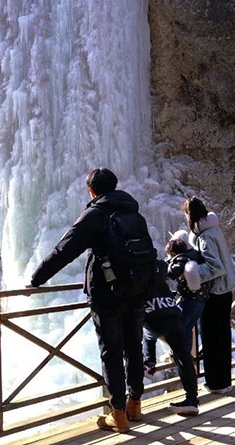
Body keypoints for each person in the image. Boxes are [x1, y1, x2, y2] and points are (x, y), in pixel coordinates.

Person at [29, 168, 146, 433]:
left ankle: (118, 414)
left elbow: (64, 249)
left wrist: (37, 278)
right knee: (134, 347)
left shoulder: (96, 214)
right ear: (115, 186)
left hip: (107, 293)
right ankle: (135, 404)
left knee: (112, 351)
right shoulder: (133, 213)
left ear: (92, 190)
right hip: (137, 290)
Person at [182, 196, 235, 394]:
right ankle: (225, 381)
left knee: (211, 337)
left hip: (215, 291)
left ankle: (216, 383)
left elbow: (215, 266)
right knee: (222, 335)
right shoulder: (214, 230)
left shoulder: (205, 236)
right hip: (226, 289)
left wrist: (192, 274)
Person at [141, 261, 200, 416]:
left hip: (154, 318)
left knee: (148, 336)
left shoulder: (139, 275)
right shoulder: (160, 272)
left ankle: (149, 365)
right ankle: (192, 400)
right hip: (173, 317)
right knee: (184, 357)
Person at [165, 236, 208, 347]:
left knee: (177, 327)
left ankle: (179, 356)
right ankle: (187, 356)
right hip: (200, 299)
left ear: (173, 253)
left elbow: (173, 273)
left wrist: (168, 264)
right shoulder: (193, 256)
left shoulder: (182, 259)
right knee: (187, 327)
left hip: (190, 300)